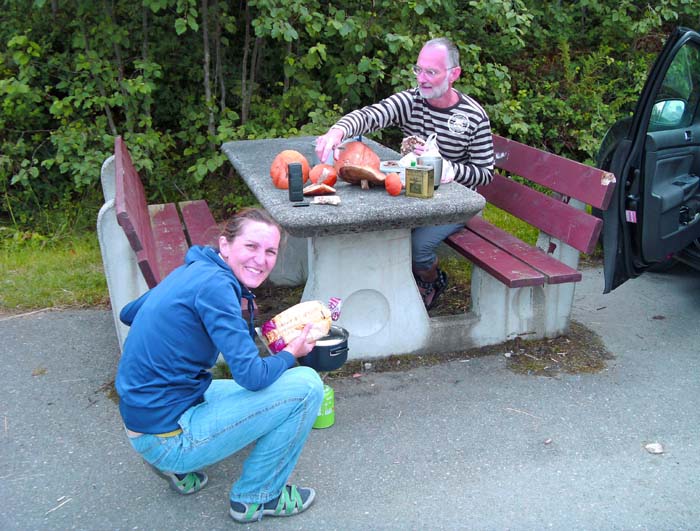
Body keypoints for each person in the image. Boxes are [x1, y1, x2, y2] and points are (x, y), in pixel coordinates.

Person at [115, 207, 324, 524]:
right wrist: (291, 352)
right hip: (167, 434)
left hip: (145, 414)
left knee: (271, 388)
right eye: (251, 247)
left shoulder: (195, 268)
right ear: (226, 245)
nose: (261, 259)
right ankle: (257, 498)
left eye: (270, 251)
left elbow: (129, 313)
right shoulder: (217, 288)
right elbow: (252, 377)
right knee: (306, 387)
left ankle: (174, 465)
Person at [315, 37, 494, 309]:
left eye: (431, 72)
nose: (422, 79)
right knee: (377, 228)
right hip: (414, 194)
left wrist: (450, 169)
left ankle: (432, 280)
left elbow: (485, 174)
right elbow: (371, 115)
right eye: (418, 70)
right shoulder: (411, 101)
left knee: (417, 247)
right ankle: (382, 290)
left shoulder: (473, 117)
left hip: (455, 204)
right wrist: (338, 131)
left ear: (454, 74)